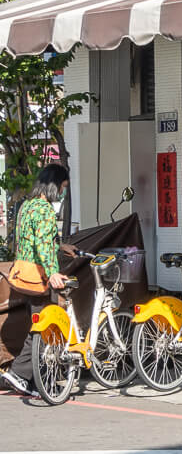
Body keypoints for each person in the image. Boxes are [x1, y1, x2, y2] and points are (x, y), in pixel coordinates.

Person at [3, 164, 74, 395]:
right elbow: (42, 246)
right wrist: (53, 272)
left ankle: (36, 380)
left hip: (20, 276)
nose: (63, 192)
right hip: (37, 278)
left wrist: (60, 245)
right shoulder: (44, 209)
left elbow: (30, 240)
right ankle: (20, 373)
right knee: (45, 329)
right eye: (63, 187)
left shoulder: (27, 205)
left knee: (37, 327)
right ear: (54, 185)